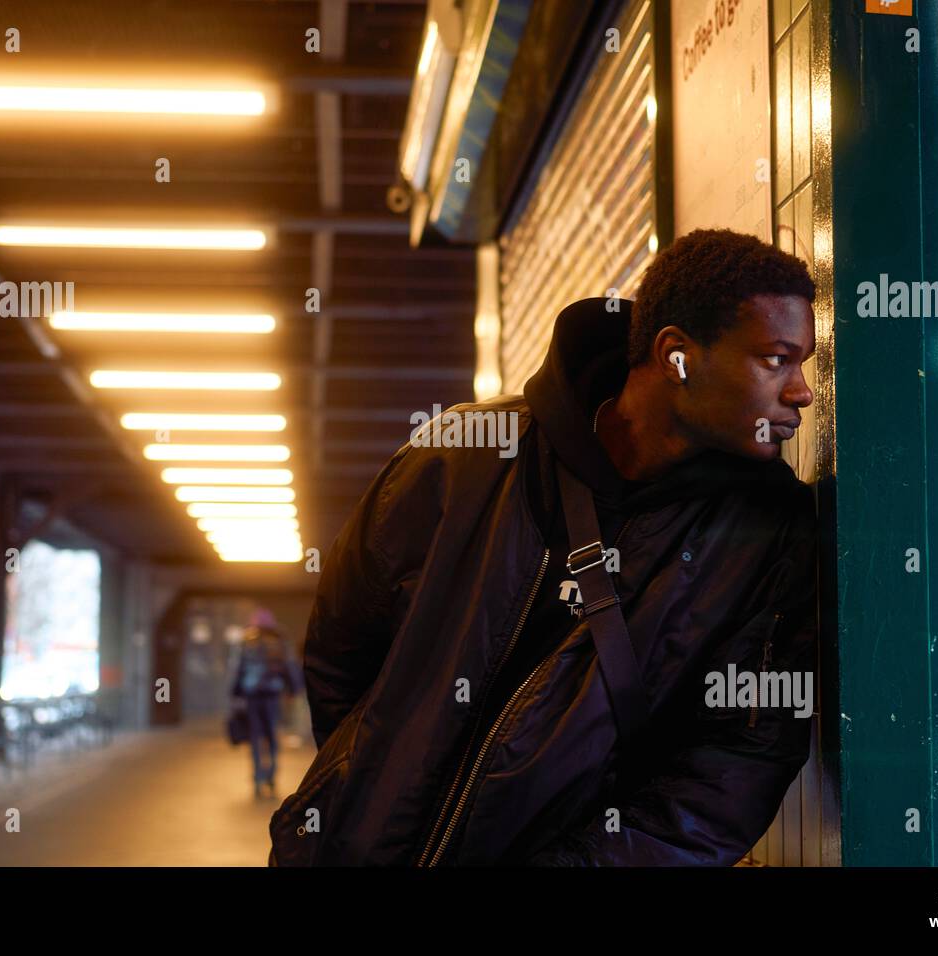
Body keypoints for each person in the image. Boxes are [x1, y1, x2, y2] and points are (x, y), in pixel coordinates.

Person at [270, 228, 819, 865]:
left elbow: (736, 766)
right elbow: (343, 645)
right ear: (677, 357)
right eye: (776, 359)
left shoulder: (767, 536)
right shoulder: (466, 453)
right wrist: (365, 794)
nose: (801, 390)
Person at [230, 625, 302, 798]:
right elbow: (288, 667)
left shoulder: (248, 643)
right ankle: (271, 774)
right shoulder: (278, 643)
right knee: (271, 736)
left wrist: (236, 694)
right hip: (272, 695)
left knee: (255, 737)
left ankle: (257, 776)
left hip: (252, 696)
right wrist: (293, 689)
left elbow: (239, 670)